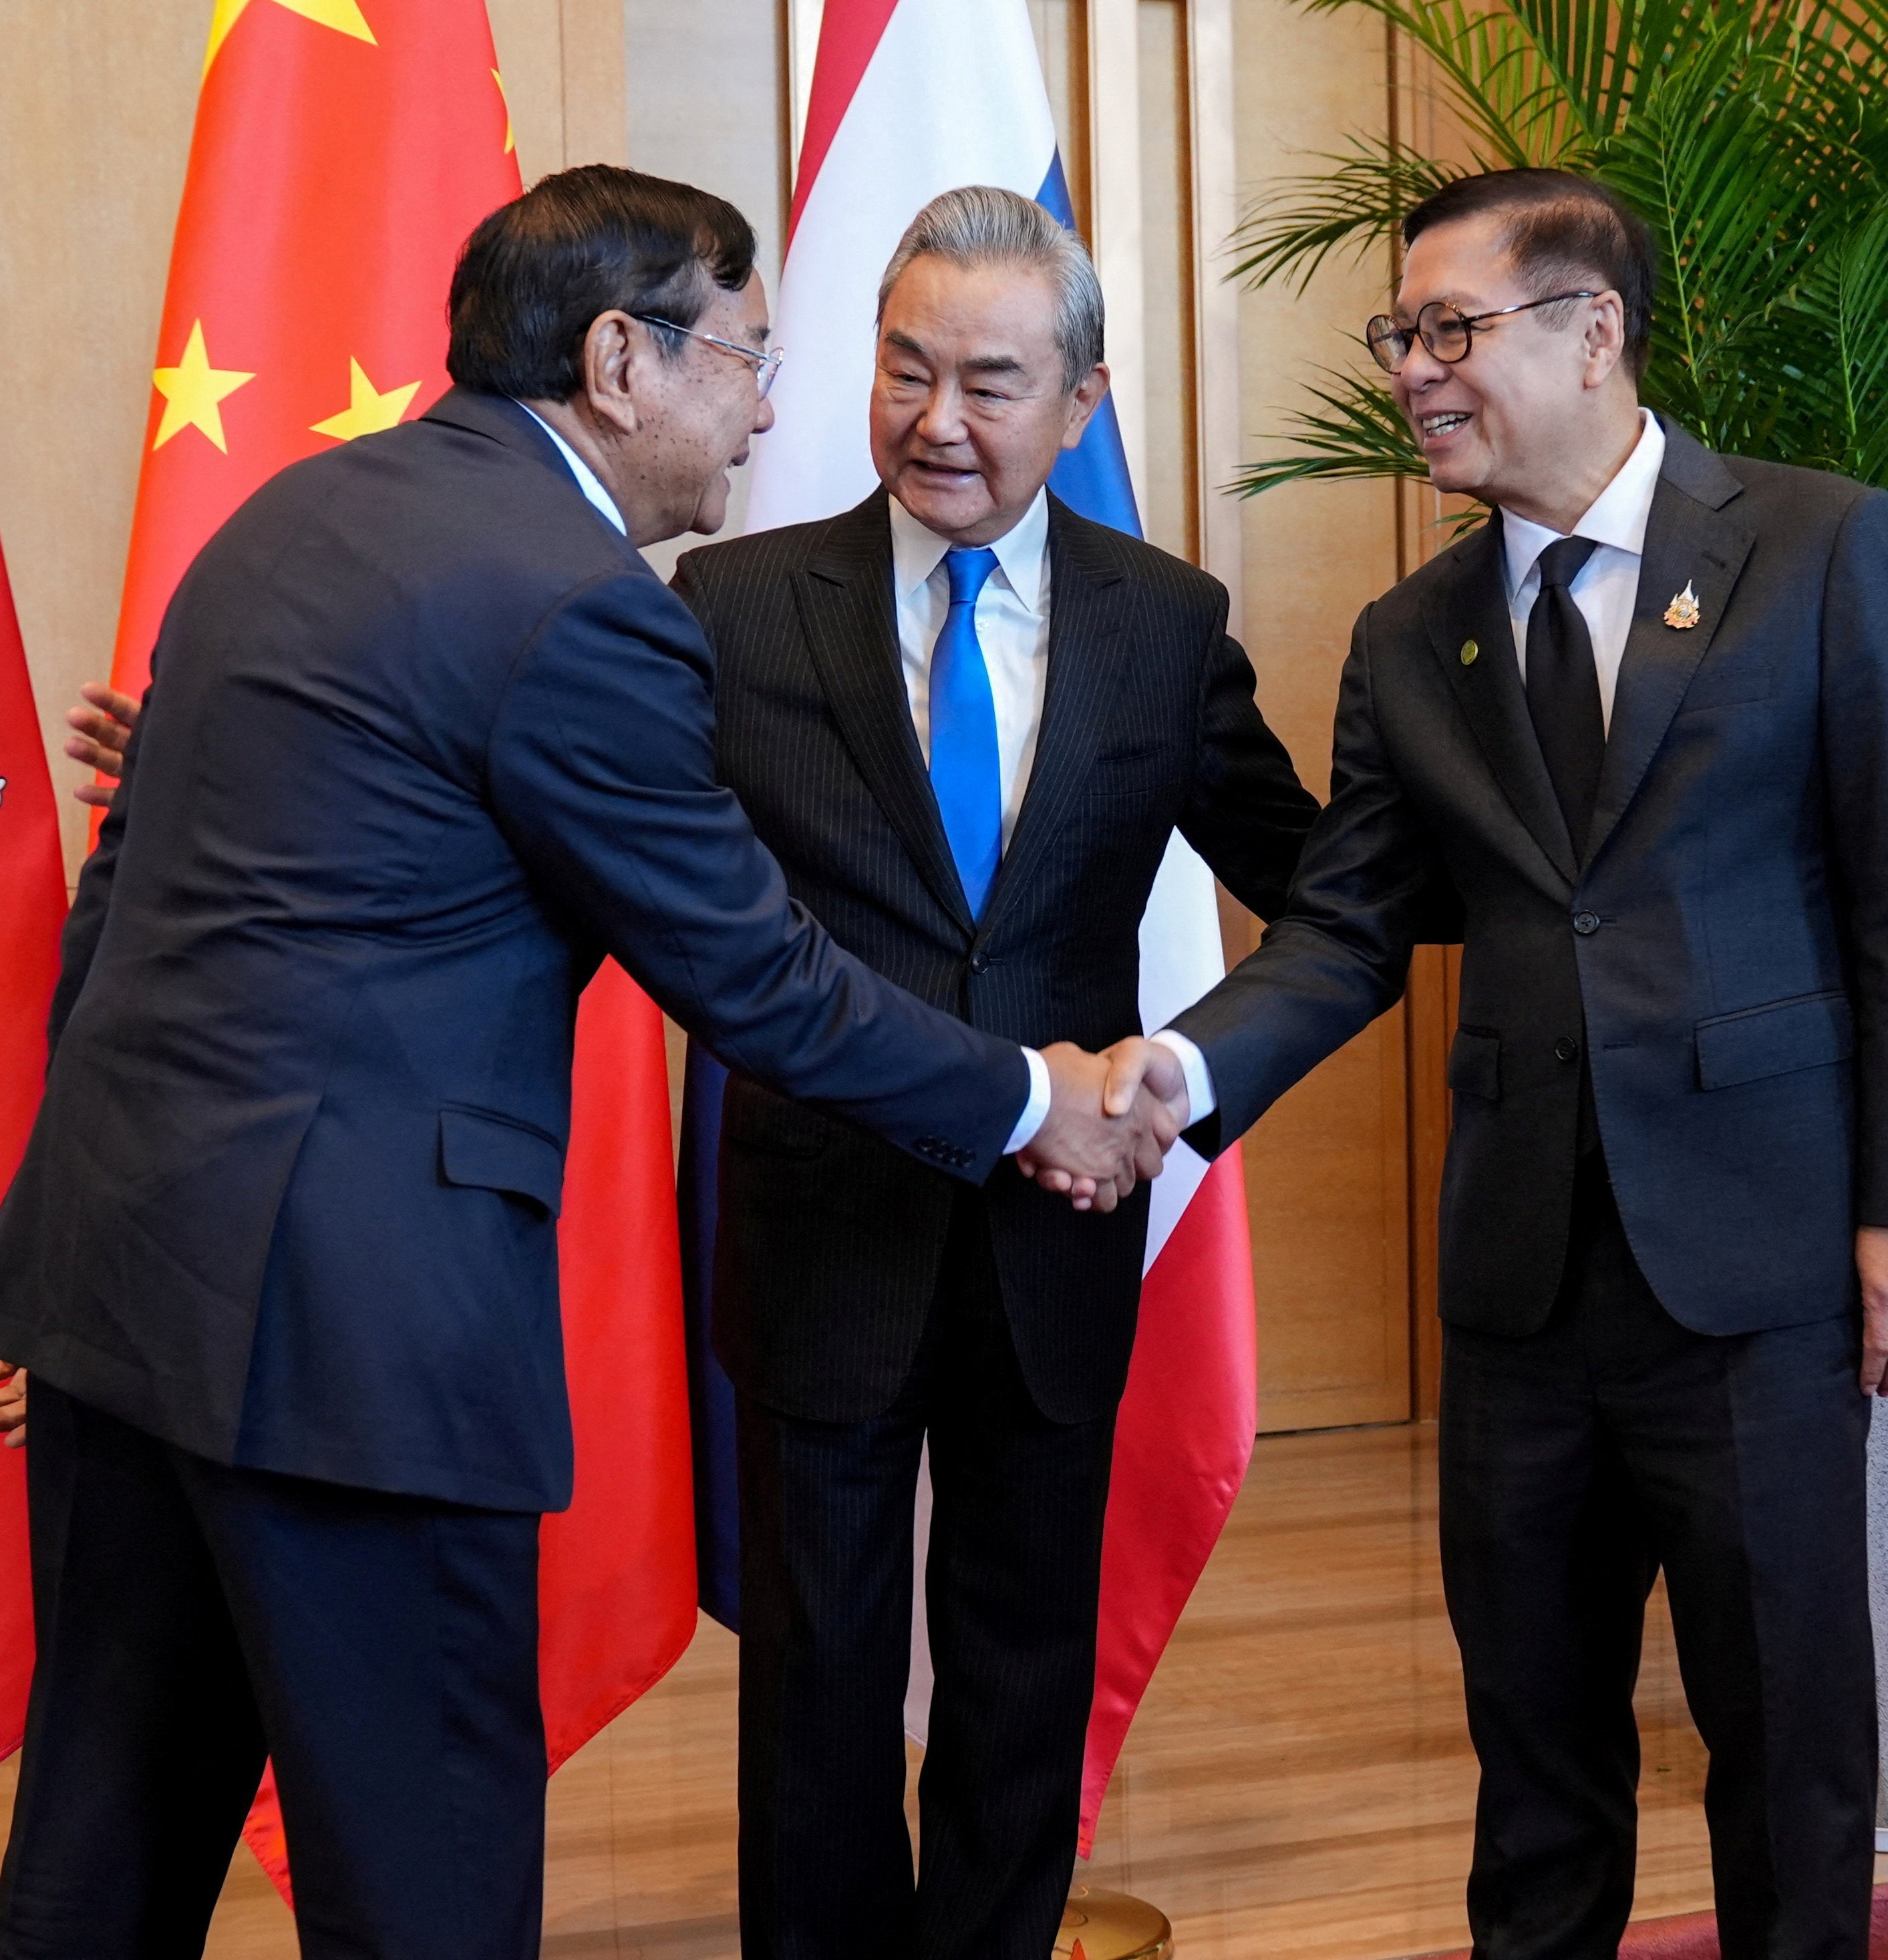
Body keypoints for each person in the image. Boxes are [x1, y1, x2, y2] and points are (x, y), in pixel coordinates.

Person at [30, 186, 1318, 1960]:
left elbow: (130, 898)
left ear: (1077, 401)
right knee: (422, 1867)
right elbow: (752, 974)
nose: (773, 409)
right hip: (355, 1325)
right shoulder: (601, 606)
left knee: (108, 1837)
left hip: (132, 1279)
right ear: (620, 360)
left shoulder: (293, 517)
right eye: (754, 359)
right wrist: (1038, 1099)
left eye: (991, 380)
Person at [1128, 168, 1888, 1959]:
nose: (1413, 372)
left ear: (1592, 331)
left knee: (1784, 1736)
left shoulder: (1820, 546)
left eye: (1450, 330)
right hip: (1521, 1284)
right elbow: (1349, 927)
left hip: (1756, 1270)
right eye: (1399, 335)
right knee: (1530, 1745)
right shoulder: (1405, 635)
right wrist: (1177, 1082)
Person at [673, 186, 1317, 1959]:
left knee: (1022, 1647)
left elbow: (1320, 880)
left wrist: (1181, 1077)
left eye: (989, 380)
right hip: (824, 1217)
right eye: (902, 369)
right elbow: (580, 814)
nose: (936, 422)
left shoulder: (1161, 623)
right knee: (814, 1666)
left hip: (1061, 1216)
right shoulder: (732, 604)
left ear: (1082, 400)